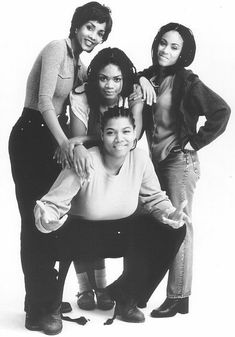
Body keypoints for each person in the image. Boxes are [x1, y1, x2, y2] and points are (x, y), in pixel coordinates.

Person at [8, 2, 112, 334]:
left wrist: (143, 82)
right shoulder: (56, 48)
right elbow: (43, 101)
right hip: (29, 134)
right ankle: (39, 309)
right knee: (33, 220)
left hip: (53, 141)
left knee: (50, 219)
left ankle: (39, 297)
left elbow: (109, 81)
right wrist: (66, 143)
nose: (94, 36)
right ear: (77, 25)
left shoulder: (81, 67)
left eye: (101, 32)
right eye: (90, 27)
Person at [34, 106, 188, 327]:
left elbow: (154, 198)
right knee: (51, 235)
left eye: (126, 131)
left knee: (174, 229)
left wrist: (170, 213)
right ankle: (51, 308)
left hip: (120, 231)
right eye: (111, 132)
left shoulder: (140, 160)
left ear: (134, 134)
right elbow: (52, 202)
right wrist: (47, 216)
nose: (119, 139)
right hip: (80, 234)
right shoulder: (86, 160)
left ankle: (126, 297)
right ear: (102, 135)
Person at [135, 22, 231, 317]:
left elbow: (221, 111)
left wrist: (195, 144)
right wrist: (140, 80)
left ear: (183, 53)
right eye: (163, 43)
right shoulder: (149, 76)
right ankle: (140, 291)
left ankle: (178, 296)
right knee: (153, 224)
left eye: (174, 47)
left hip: (180, 162)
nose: (165, 50)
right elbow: (126, 73)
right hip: (155, 162)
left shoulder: (188, 82)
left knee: (180, 225)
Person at [68, 47, 143, 311]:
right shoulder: (81, 97)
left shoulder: (131, 96)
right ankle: (84, 288)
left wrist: (85, 140)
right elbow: (76, 141)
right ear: (94, 79)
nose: (110, 85)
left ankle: (101, 287)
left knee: (100, 221)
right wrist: (83, 143)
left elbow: (132, 139)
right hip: (86, 163)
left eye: (116, 79)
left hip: (115, 166)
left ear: (124, 80)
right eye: (103, 78)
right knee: (81, 218)